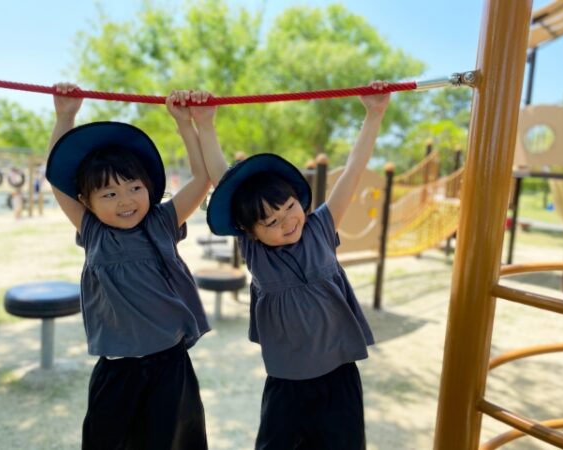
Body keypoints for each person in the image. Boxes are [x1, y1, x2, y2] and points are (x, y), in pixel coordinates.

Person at [195, 81, 391, 449]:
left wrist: (373, 114)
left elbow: (352, 170)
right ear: (249, 232)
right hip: (288, 381)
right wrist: (205, 124)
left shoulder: (320, 225)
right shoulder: (256, 252)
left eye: (288, 207)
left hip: (339, 373)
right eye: (270, 222)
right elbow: (225, 181)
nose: (287, 221)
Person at [45, 83, 212, 450]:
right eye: (109, 194)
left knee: (173, 441)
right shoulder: (92, 230)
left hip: (169, 366)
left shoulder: (162, 222)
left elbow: (202, 180)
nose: (125, 201)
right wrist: (65, 116)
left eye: (134, 187)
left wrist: (186, 124)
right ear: (86, 202)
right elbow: (56, 181)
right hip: (118, 369)